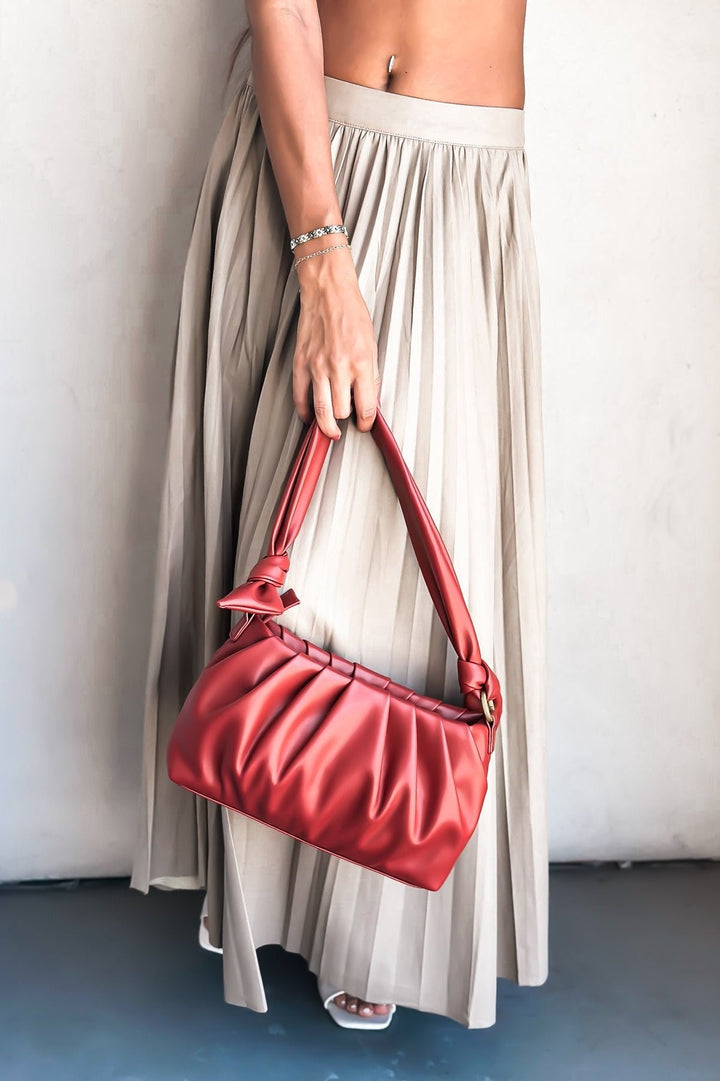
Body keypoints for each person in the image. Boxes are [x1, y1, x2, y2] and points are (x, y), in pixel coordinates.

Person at [130, 0, 548, 1031]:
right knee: (303, 565)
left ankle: (374, 919)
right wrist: (321, 250)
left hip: (465, 177)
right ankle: (275, 891)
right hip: (323, 154)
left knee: (412, 582)